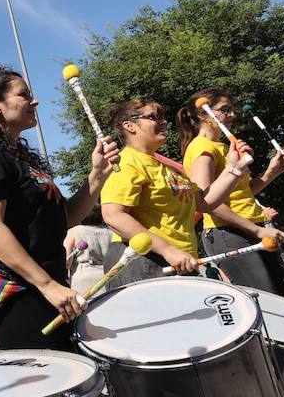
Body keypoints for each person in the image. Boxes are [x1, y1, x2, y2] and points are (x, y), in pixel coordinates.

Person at [0, 65, 119, 350]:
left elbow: (66, 217)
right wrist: (47, 285)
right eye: (23, 95)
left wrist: (97, 175)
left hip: (48, 287)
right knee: (45, 375)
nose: (34, 101)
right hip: (17, 293)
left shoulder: (22, 160)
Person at [99, 97, 245, 286]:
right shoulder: (125, 163)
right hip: (143, 261)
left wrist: (234, 169)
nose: (164, 122)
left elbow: (204, 202)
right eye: (154, 117)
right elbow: (113, 216)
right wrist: (167, 250)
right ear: (129, 126)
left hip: (179, 260)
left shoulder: (170, 169)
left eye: (163, 117)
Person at [177, 89, 284, 298]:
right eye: (224, 110)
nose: (232, 115)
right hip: (228, 233)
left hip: (250, 228)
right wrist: (257, 231)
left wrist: (272, 172)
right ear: (203, 114)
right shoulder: (202, 149)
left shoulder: (224, 148)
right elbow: (207, 203)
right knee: (267, 301)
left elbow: (243, 192)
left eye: (231, 110)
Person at [65, 209, 112, 294]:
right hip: (108, 276)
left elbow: (67, 262)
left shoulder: (74, 231)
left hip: (83, 278)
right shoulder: (111, 231)